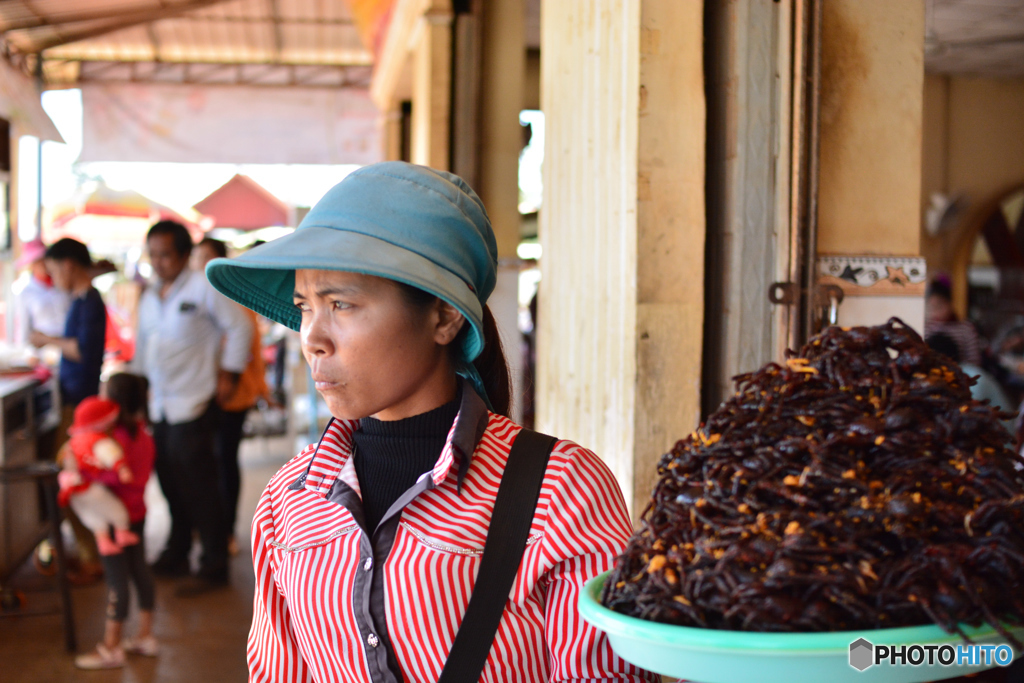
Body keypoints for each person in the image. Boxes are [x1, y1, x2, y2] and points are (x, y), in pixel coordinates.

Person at [206, 162, 657, 682]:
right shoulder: (288, 498)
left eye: (342, 304)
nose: (312, 337)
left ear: (443, 317)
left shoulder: (560, 491)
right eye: (304, 306)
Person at [133, 221, 252, 595]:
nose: (158, 262)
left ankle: (214, 562)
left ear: (184, 254)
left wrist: (229, 373)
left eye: (165, 254)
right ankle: (178, 549)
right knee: (169, 480)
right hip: (161, 405)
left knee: (201, 485)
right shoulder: (150, 295)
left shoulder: (204, 287)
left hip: (195, 401)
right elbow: (141, 348)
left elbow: (241, 327)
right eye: (152, 254)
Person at [30, 237, 108, 581]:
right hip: (75, 401)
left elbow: (83, 351)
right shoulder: (80, 301)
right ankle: (88, 553)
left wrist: (46, 340)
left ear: (68, 265)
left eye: (53, 269)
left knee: (73, 481)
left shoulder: (89, 301)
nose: (52, 277)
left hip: (80, 407)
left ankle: (92, 558)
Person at [74, 373, 159, 670]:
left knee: (115, 580)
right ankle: (145, 636)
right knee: (139, 571)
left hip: (114, 518)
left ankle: (111, 646)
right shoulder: (144, 435)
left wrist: (80, 478)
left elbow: (107, 476)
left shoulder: (111, 440)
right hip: (138, 512)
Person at [193, 237, 268, 555]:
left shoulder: (235, 299)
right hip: (207, 395)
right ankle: (212, 529)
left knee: (225, 462)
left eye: (206, 257)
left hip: (233, 397)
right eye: (196, 257)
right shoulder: (198, 297)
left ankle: (227, 531)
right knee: (208, 463)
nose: (199, 263)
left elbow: (250, 348)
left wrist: (250, 387)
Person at [58, 397, 140, 556]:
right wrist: (122, 469)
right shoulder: (98, 440)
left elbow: (62, 459)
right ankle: (122, 532)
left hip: (70, 487)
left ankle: (103, 541)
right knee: (116, 510)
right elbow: (111, 454)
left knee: (91, 515)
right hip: (89, 486)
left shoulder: (72, 442)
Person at [12, 237, 70, 348]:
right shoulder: (26, 292)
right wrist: (27, 352)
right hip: (43, 352)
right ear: (32, 264)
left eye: (44, 259)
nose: (43, 264)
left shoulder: (63, 285)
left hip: (67, 346)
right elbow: (23, 328)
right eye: (38, 261)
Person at [924, 276, 982, 366]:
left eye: (939, 306)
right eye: (931, 308)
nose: (935, 312)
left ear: (950, 304)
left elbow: (974, 360)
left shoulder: (965, 328)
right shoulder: (925, 328)